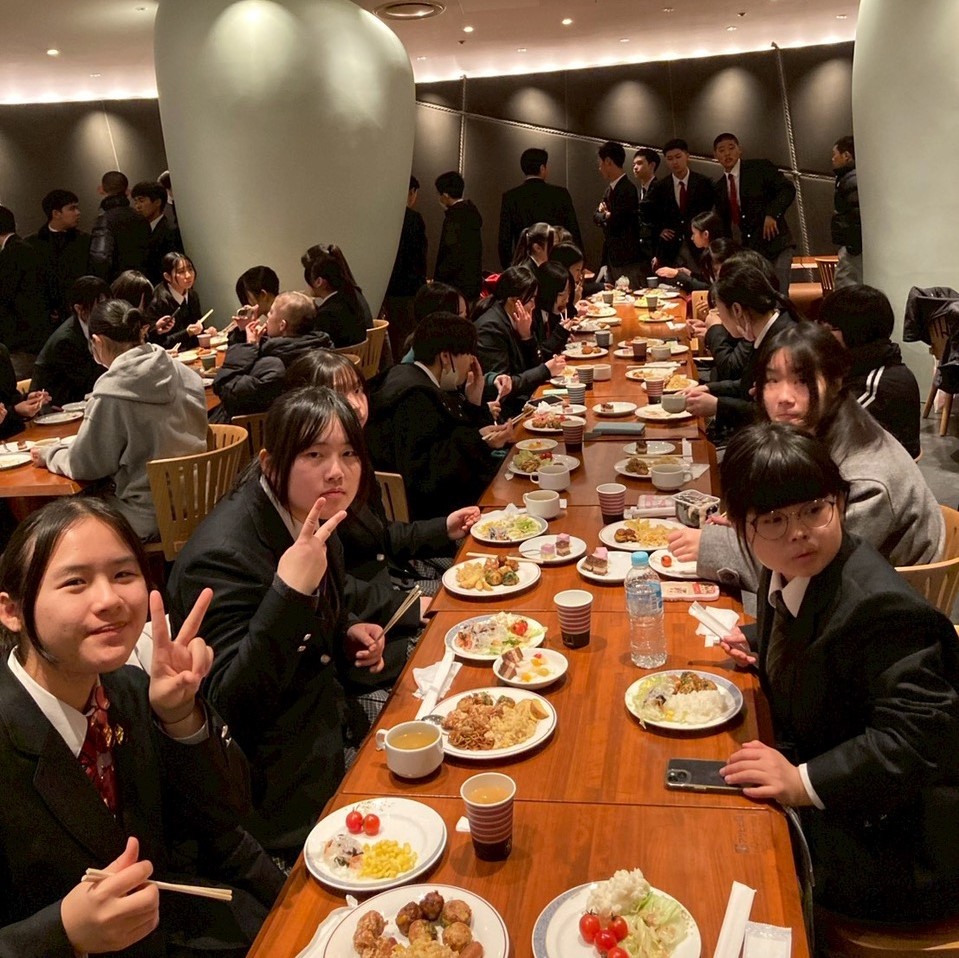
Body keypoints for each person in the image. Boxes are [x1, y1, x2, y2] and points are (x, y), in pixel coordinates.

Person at [0, 497, 284, 956]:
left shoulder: (130, 689)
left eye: (123, 574)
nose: (110, 600)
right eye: (75, 582)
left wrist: (179, 716)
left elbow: (225, 817)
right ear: (12, 611)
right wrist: (63, 933)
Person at [716, 423, 959, 922]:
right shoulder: (792, 569)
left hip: (899, 839)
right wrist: (764, 641)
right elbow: (818, 631)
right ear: (741, 526)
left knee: (731, 862)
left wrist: (801, 781)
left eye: (814, 509)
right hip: (853, 796)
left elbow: (919, 739)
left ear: (839, 503)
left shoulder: (883, 610)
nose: (798, 532)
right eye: (774, 519)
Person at [168, 388, 386, 860]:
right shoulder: (221, 556)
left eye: (349, 453)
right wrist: (289, 592)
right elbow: (230, 705)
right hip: (280, 792)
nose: (337, 470)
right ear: (270, 464)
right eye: (314, 454)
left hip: (334, 723)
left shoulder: (311, 510)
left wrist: (344, 631)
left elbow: (312, 626)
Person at [672, 321, 945, 591]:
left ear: (836, 382)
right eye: (772, 380)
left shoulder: (865, 478)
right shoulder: (824, 428)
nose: (784, 397)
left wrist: (711, 545)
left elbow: (809, 568)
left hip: (877, 605)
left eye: (801, 380)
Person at [283, 351, 479, 685]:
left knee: (481, 598)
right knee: (462, 645)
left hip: (391, 588)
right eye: (338, 394)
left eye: (357, 390)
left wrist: (445, 527)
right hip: (362, 631)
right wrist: (410, 606)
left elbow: (381, 534)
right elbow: (332, 586)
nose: (356, 404)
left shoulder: (355, 454)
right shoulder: (309, 481)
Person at [32, 300, 208, 540]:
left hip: (149, 515)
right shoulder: (183, 372)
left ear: (97, 341)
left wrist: (50, 454)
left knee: (60, 524)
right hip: (201, 500)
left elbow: (86, 465)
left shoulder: (112, 392)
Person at [367, 313, 514, 521]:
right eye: (468, 354)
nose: (472, 362)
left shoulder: (405, 374)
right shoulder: (416, 396)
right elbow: (430, 474)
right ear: (445, 357)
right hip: (430, 515)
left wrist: (474, 403)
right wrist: (481, 441)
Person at [681, 261, 797, 433]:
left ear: (737, 310)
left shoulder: (783, 342)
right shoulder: (768, 329)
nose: (719, 320)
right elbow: (746, 385)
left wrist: (719, 406)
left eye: (719, 313)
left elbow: (779, 414)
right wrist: (709, 388)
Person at [819, 284, 920, 457]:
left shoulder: (876, 386)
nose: (822, 336)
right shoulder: (864, 365)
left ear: (857, 332)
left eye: (830, 329)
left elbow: (825, 435)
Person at [213, 290, 333, 420]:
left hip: (258, 428)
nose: (266, 317)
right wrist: (243, 333)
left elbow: (227, 390)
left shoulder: (275, 364)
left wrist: (249, 346)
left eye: (271, 312)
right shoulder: (321, 348)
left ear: (282, 325)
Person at [472, 266, 565, 415]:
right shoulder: (490, 328)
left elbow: (535, 364)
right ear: (513, 301)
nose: (534, 305)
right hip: (506, 411)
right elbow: (504, 386)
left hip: (525, 400)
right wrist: (546, 370)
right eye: (531, 299)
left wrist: (527, 337)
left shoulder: (520, 320)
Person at [712, 133, 796, 295]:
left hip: (777, 242)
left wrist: (772, 214)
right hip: (752, 250)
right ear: (715, 155)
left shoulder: (759, 168)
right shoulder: (720, 187)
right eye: (721, 150)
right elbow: (724, 224)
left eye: (731, 148)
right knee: (758, 296)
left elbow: (787, 189)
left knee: (779, 294)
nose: (727, 153)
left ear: (740, 150)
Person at [30, 274, 110, 406]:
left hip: (79, 399)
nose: (105, 312)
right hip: (52, 406)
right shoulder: (66, 340)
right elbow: (88, 381)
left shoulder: (94, 327)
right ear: (79, 308)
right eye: (98, 307)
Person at [498, 147, 582, 269]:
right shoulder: (560, 194)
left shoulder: (511, 197)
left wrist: (510, 268)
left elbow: (504, 241)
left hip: (525, 265)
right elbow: (573, 231)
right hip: (557, 264)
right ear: (542, 168)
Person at [25, 189, 92, 336]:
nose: (78, 213)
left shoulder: (85, 241)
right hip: (42, 320)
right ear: (56, 213)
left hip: (78, 314)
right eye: (72, 208)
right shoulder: (32, 244)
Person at [648, 138, 715, 271]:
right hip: (670, 247)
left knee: (700, 278)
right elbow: (645, 212)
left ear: (687, 156)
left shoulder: (703, 183)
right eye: (670, 158)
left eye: (678, 157)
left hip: (698, 245)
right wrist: (659, 229)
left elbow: (712, 213)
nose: (675, 162)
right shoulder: (660, 186)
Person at [383, 175, 428, 358]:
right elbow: (420, 257)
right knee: (407, 336)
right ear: (411, 192)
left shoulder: (385, 217)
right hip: (409, 288)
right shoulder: (413, 219)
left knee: (393, 336)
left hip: (387, 286)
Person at [592, 141, 643, 286]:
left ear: (608, 161)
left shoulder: (628, 189)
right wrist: (606, 215)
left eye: (601, 163)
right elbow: (595, 216)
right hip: (611, 257)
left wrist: (606, 216)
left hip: (627, 259)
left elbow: (618, 221)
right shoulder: (609, 190)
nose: (599, 168)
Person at [302, 246, 370, 348]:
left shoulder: (326, 314)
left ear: (319, 282)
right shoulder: (351, 299)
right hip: (357, 356)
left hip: (337, 357)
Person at [88, 171, 150, 282]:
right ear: (127, 191)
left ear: (102, 189)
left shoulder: (104, 220)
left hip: (119, 283)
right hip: (144, 279)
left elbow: (100, 259)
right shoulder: (140, 217)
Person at [0, 204, 45, 355]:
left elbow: (5, 295)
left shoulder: (10, 253)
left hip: (20, 335)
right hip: (33, 331)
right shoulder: (27, 247)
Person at [146, 252, 213, 350]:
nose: (188, 275)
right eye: (181, 272)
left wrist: (206, 333)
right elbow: (158, 344)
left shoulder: (192, 296)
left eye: (190, 269)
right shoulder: (158, 301)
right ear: (167, 276)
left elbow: (197, 327)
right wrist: (187, 333)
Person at [434, 170, 483, 302]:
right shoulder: (471, 213)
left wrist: (439, 281)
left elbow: (451, 253)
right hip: (472, 283)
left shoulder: (454, 218)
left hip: (454, 286)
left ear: (445, 195)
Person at [656, 210, 726, 291]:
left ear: (705, 234)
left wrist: (677, 275)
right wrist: (690, 274)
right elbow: (707, 281)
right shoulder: (710, 251)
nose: (692, 238)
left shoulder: (719, 254)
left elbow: (711, 288)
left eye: (694, 233)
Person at [131, 179, 180, 285]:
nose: (137, 206)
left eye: (141, 201)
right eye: (135, 202)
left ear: (157, 202)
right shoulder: (140, 230)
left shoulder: (170, 230)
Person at [830, 135, 862, 288]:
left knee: (844, 286)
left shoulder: (851, 180)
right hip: (855, 246)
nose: (832, 159)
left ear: (846, 155)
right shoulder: (853, 178)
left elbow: (856, 214)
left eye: (834, 154)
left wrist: (852, 247)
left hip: (854, 248)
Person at [0, 343, 47, 441]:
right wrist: (15, 411)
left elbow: (9, 395)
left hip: (16, 437)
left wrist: (27, 400)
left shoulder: (1, 351)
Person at [532, 260, 574, 357]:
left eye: (568, 293)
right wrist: (559, 335)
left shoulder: (551, 313)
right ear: (547, 292)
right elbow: (538, 356)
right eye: (562, 294)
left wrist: (563, 340)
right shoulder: (531, 315)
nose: (567, 300)